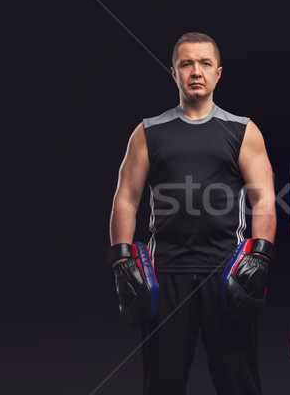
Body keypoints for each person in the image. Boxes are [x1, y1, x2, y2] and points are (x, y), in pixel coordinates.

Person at [107, 32, 276, 395]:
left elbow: (263, 199)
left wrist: (260, 255)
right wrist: (121, 260)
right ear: (173, 73)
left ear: (218, 73)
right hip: (166, 274)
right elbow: (126, 198)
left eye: (204, 64)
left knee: (239, 384)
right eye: (186, 64)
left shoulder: (242, 130)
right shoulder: (148, 132)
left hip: (228, 273)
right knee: (161, 385)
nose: (195, 71)